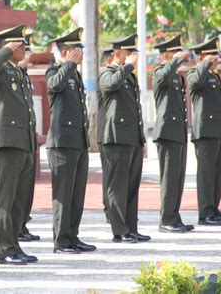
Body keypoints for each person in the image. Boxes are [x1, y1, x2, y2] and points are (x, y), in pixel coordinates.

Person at [0, 24, 38, 265]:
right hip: (7, 143)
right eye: (20, 44)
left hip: (23, 141)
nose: (24, 48)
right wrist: (4, 51)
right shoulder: (0, 68)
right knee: (5, 199)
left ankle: (14, 244)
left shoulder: (17, 71)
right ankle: (4, 249)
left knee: (19, 199)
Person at [46, 28, 96, 254]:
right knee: (63, 196)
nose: (80, 54)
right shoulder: (55, 70)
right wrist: (68, 64)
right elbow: (53, 85)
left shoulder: (73, 74)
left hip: (77, 141)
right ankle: (61, 240)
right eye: (76, 51)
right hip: (61, 143)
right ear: (66, 51)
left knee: (77, 195)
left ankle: (73, 236)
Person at [98, 34, 151, 244]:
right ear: (117, 53)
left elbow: (135, 110)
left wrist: (141, 139)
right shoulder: (107, 73)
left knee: (131, 186)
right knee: (117, 187)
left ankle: (131, 228)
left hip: (131, 138)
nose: (133, 58)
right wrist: (127, 66)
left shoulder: (128, 76)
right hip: (115, 138)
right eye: (129, 54)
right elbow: (111, 84)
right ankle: (119, 229)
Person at [187, 37, 221, 226]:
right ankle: (205, 213)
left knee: (218, 173)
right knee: (206, 174)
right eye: (212, 57)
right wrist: (204, 64)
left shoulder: (214, 75)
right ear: (202, 57)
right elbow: (194, 83)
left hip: (219, 131)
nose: (216, 60)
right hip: (205, 132)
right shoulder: (195, 73)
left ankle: (214, 209)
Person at [152, 35, 194, 233]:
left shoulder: (177, 76)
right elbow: (165, 73)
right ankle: (166, 219)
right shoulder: (160, 72)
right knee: (169, 178)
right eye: (176, 53)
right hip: (167, 133)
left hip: (178, 132)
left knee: (178, 177)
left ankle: (174, 216)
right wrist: (176, 60)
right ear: (167, 55)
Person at [18, 32, 40, 243]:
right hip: (13, 139)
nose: (28, 55)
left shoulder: (23, 75)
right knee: (14, 193)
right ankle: (15, 229)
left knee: (26, 190)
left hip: (27, 138)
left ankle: (22, 224)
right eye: (25, 51)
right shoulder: (11, 73)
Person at [97, 47, 113, 224]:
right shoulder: (105, 77)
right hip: (107, 133)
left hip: (116, 134)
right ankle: (109, 210)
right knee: (109, 176)